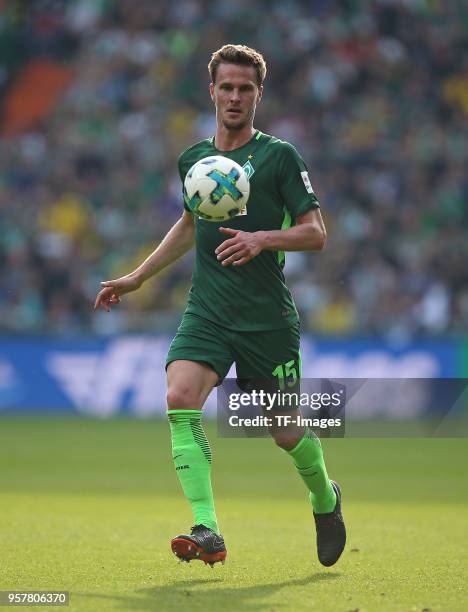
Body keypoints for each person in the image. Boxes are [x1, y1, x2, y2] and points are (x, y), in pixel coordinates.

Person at [94, 44, 346, 568]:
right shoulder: (195, 160)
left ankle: (325, 497)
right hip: (207, 310)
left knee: (284, 431)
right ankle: (207, 527)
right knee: (180, 395)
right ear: (212, 91)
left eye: (245, 88)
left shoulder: (279, 156)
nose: (234, 96)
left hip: (265, 319)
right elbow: (190, 222)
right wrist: (139, 276)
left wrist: (262, 240)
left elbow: (316, 234)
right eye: (226, 87)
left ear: (259, 94)